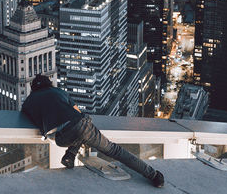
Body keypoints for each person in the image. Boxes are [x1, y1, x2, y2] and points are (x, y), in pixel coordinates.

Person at [20, 74, 165, 188]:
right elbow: (75, 110)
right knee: (112, 148)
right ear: (48, 84)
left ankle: (70, 154)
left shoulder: (29, 101)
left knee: (78, 130)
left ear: (33, 89)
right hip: (80, 126)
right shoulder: (58, 91)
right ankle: (154, 176)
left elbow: (28, 115)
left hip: (60, 139)